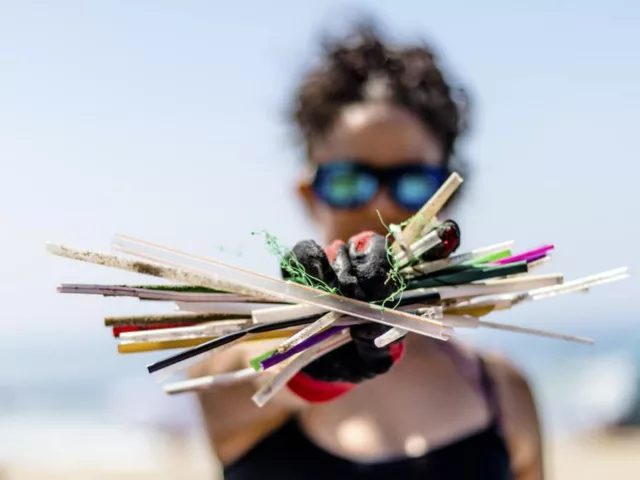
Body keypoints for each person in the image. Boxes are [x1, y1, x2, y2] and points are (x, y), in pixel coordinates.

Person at [189, 22, 543, 480]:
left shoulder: (502, 391)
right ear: (308, 194)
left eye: (413, 182)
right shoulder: (231, 374)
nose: (380, 205)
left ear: (448, 196)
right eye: (349, 181)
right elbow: (254, 376)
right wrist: (310, 356)